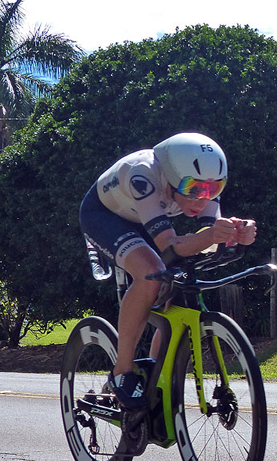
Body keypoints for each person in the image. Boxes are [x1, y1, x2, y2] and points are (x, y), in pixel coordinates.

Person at [79, 132, 257, 409]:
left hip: (150, 219)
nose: (203, 199)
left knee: (180, 286)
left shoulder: (204, 187)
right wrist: (212, 236)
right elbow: (171, 245)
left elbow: (203, 240)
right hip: (106, 217)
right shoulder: (143, 174)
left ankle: (156, 381)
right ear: (172, 177)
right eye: (194, 189)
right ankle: (121, 372)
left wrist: (232, 233)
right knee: (150, 274)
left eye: (213, 189)